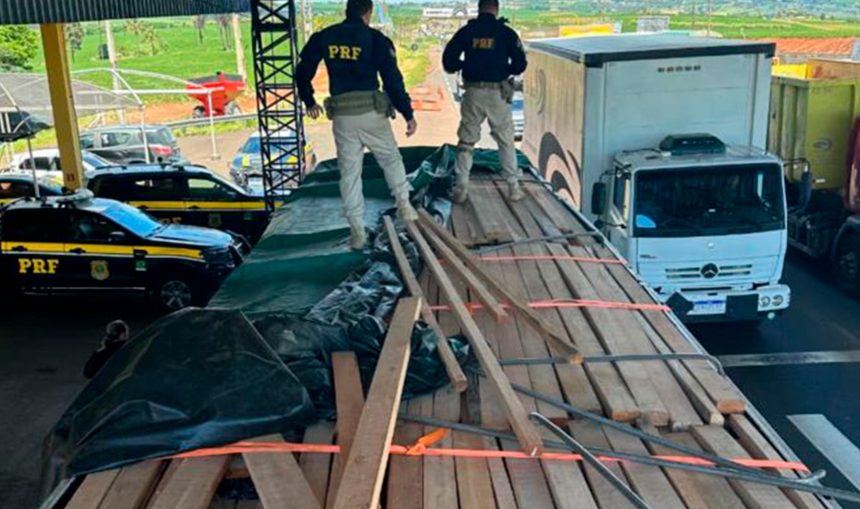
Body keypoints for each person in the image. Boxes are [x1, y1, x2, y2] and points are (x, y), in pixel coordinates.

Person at [296, 0, 418, 250]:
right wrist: (407, 113)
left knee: (350, 173)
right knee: (390, 159)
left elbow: (302, 71)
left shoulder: (325, 37)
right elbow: (392, 79)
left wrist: (309, 100)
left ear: (347, 11)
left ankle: (357, 232)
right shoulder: (375, 39)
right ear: (368, 12)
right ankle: (405, 206)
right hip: (371, 112)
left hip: (343, 117)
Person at [442, 0, 527, 203]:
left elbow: (448, 62)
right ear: (496, 10)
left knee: (467, 140)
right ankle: (513, 187)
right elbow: (520, 64)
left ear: (479, 9)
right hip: (497, 93)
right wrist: (503, 69)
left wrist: (466, 64)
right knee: (505, 139)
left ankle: (461, 187)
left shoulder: (467, 32)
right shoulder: (506, 33)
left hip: (473, 92)